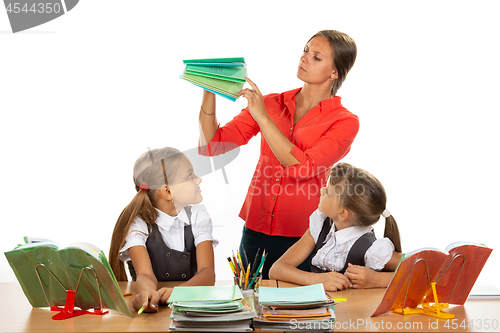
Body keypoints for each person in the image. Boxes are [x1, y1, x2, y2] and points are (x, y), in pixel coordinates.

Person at [198, 30, 359, 278]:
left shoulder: (344, 121)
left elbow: (303, 168)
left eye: (316, 57)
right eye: (306, 50)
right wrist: (210, 88)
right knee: (248, 305)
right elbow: (212, 146)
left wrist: (262, 117)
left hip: (303, 237)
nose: (304, 58)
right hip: (255, 230)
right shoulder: (272, 104)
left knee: (298, 313)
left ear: (335, 72)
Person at [109, 147, 217, 313]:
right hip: (158, 313)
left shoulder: (198, 214)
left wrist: (179, 292)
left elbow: (208, 273)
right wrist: (147, 293)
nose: (198, 179)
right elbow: (145, 275)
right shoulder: (138, 223)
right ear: (167, 191)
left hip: (192, 309)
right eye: (190, 175)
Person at [268, 163, 402, 291]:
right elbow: (276, 269)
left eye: (327, 192)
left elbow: (420, 269)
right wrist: (317, 280)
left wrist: (377, 279)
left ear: (342, 213)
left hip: (353, 312)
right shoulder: (321, 227)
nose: (321, 190)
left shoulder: (372, 249)